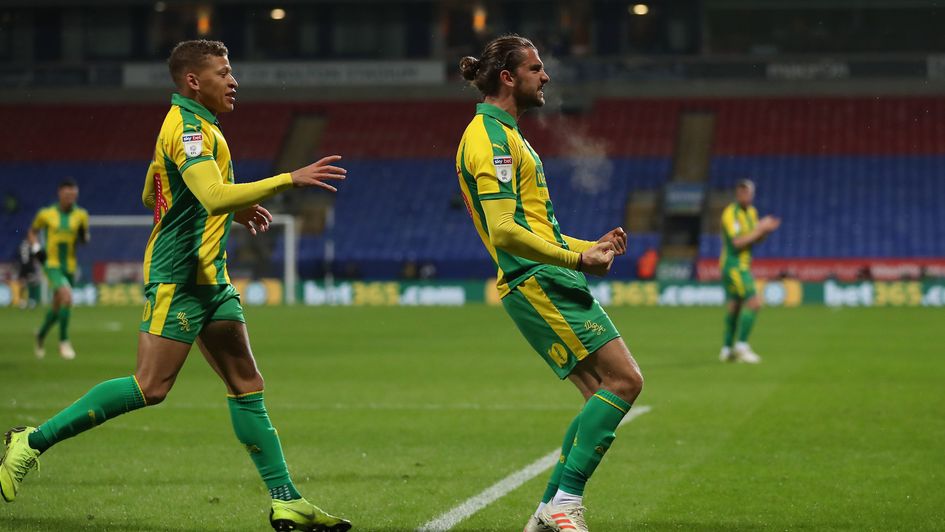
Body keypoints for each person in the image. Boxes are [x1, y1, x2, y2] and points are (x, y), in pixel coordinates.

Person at [1, 40, 351, 532]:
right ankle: (30, 442)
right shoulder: (187, 128)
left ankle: (285, 499)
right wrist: (288, 178)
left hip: (212, 278)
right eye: (223, 72)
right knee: (151, 386)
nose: (233, 81)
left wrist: (232, 205)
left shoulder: (199, 126)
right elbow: (208, 193)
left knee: (246, 385)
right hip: (180, 278)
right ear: (193, 80)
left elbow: (154, 190)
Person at [456, 35, 644, 532]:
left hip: (546, 274)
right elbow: (503, 231)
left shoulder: (510, 135)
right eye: (537, 68)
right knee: (624, 381)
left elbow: (537, 228)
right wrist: (577, 258)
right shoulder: (488, 138)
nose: (546, 77)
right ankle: (564, 502)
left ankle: (547, 511)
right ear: (507, 77)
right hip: (536, 280)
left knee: (599, 396)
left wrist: (589, 248)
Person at [718, 179, 781, 363]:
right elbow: (737, 242)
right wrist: (760, 228)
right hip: (734, 265)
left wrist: (765, 231)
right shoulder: (731, 213)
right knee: (754, 302)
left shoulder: (752, 213)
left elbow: (755, 239)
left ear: (752, 195)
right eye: (741, 192)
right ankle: (742, 347)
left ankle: (727, 349)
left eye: (746, 192)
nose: (743, 195)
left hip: (743, 265)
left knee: (735, 306)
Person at [28, 178, 89, 359]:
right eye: (67, 193)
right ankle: (64, 342)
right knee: (67, 297)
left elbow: (84, 239)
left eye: (73, 194)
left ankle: (40, 335)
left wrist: (83, 236)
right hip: (52, 265)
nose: (71, 197)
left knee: (57, 308)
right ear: (60, 193)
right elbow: (32, 232)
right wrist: (36, 248)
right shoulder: (46, 214)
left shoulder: (81, 215)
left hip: (69, 266)